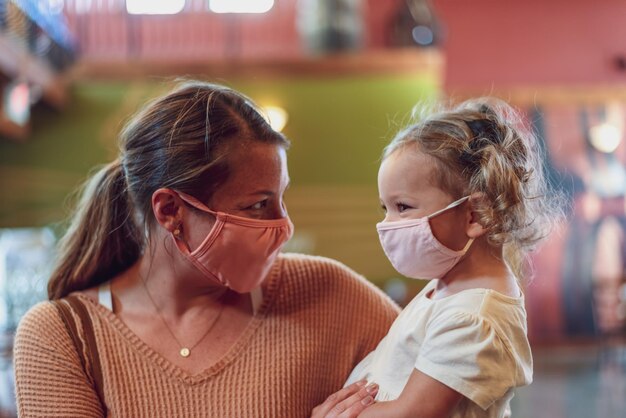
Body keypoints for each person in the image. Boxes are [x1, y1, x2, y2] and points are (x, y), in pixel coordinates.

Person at [13, 81, 399, 417]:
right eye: (257, 205)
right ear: (169, 210)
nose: (284, 226)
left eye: (281, 198)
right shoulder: (64, 337)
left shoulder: (329, 295)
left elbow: (450, 373)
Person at [342, 98, 561, 417]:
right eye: (384, 208)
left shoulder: (473, 317)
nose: (386, 225)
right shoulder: (448, 286)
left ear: (475, 215)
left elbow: (412, 413)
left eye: (402, 207)